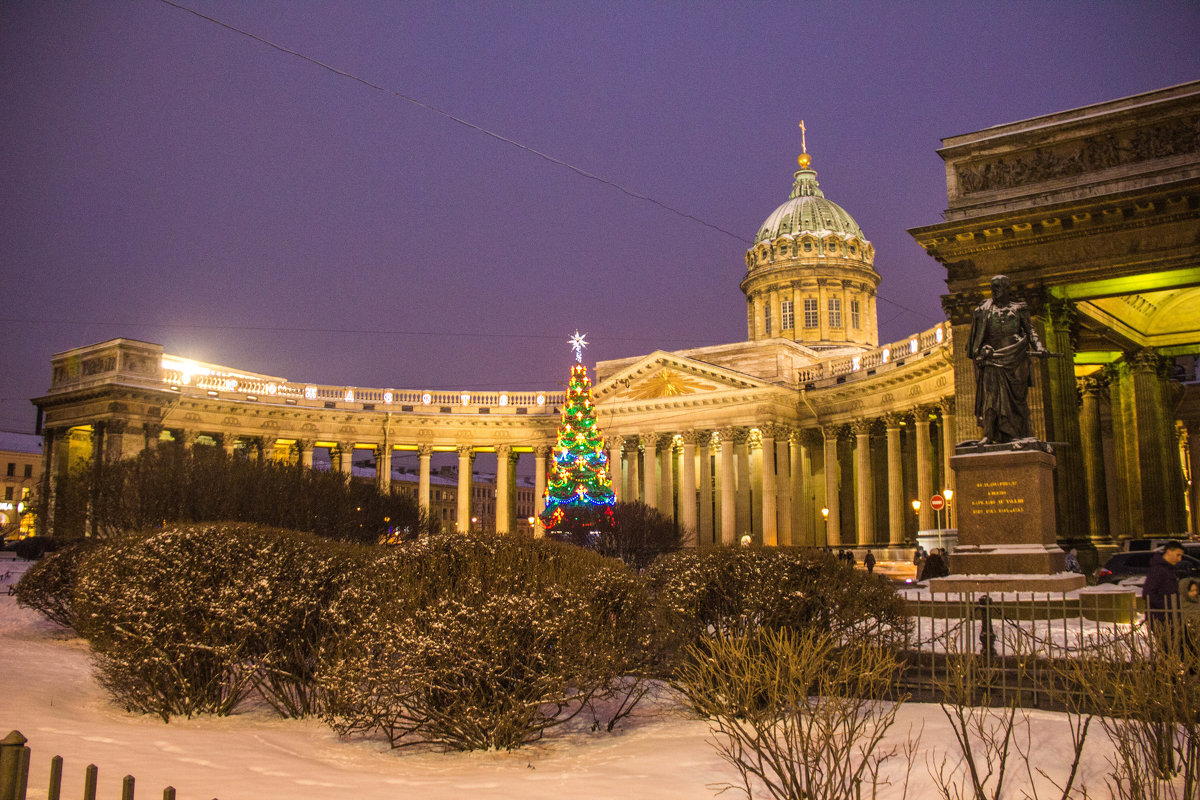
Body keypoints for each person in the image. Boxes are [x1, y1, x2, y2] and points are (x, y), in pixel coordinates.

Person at [967, 275, 1051, 444]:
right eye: (993, 288)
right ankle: (989, 434)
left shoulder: (1019, 309)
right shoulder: (983, 311)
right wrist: (981, 350)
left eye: (998, 287)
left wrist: (1039, 347)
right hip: (992, 358)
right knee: (990, 398)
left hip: (1015, 357)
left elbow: (1031, 332)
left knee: (1016, 400)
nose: (994, 291)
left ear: (1007, 289)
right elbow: (975, 340)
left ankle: (1016, 433)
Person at [1143, 541, 1185, 643]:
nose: (1180, 559)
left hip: (1172, 616)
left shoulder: (1168, 569)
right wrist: (1168, 606)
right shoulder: (1158, 570)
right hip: (1162, 617)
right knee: (1172, 648)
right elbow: (1148, 593)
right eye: (1178, 555)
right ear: (1169, 552)